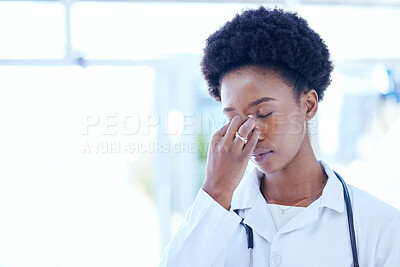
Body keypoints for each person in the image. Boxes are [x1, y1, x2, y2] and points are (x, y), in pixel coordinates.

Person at [159, 6, 400, 267]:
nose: (249, 133)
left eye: (263, 113)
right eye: (233, 119)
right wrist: (216, 190)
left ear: (308, 105)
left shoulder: (381, 227)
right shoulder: (215, 217)